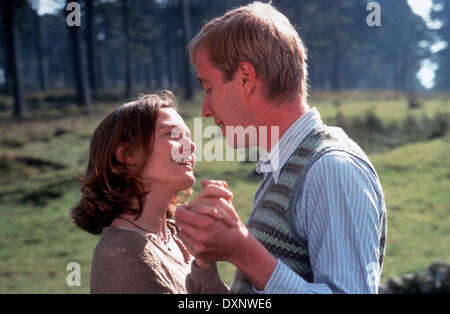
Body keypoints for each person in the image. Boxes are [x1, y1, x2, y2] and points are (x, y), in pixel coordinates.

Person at [175, 2, 387, 294]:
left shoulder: (331, 169)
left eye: (209, 88)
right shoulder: (284, 167)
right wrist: (206, 257)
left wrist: (242, 250)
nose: (206, 109)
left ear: (246, 79)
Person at [70, 91, 232, 294]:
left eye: (189, 138)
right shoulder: (124, 255)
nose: (191, 146)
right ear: (127, 154)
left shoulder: (177, 238)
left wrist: (205, 259)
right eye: (172, 135)